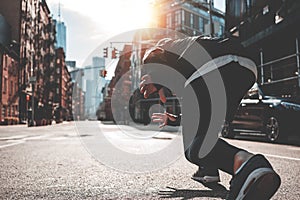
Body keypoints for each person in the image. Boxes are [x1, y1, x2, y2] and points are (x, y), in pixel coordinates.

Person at [138, 35, 281, 199]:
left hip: (212, 64)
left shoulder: (160, 47)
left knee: (192, 150)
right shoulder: (183, 53)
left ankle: (248, 163)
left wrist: (154, 77)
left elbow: (154, 55)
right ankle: (208, 169)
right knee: (204, 136)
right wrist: (176, 118)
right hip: (246, 68)